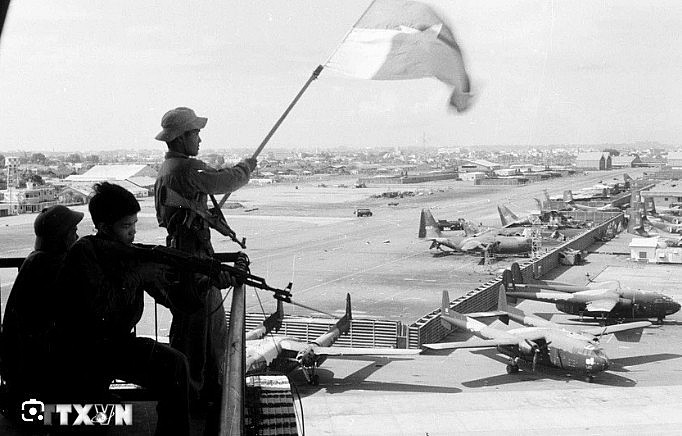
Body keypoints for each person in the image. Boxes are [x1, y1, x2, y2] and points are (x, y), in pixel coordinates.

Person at [52, 182, 231, 436]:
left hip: (113, 346)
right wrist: (137, 275)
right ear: (103, 228)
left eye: (134, 225)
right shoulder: (85, 253)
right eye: (126, 227)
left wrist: (206, 283)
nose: (133, 233)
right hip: (82, 350)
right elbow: (99, 310)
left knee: (175, 365)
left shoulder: (128, 255)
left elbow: (173, 301)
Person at [154, 107, 256, 417]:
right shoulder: (184, 169)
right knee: (197, 338)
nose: (200, 138)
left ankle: (203, 396)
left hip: (190, 256)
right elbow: (223, 180)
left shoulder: (171, 168)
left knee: (203, 334)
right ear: (182, 138)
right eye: (195, 133)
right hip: (192, 259)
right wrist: (246, 168)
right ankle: (195, 402)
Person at [0, 205, 83, 421]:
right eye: (73, 230)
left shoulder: (36, 261)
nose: (77, 235)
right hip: (40, 373)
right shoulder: (54, 266)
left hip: (24, 370)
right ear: (63, 237)